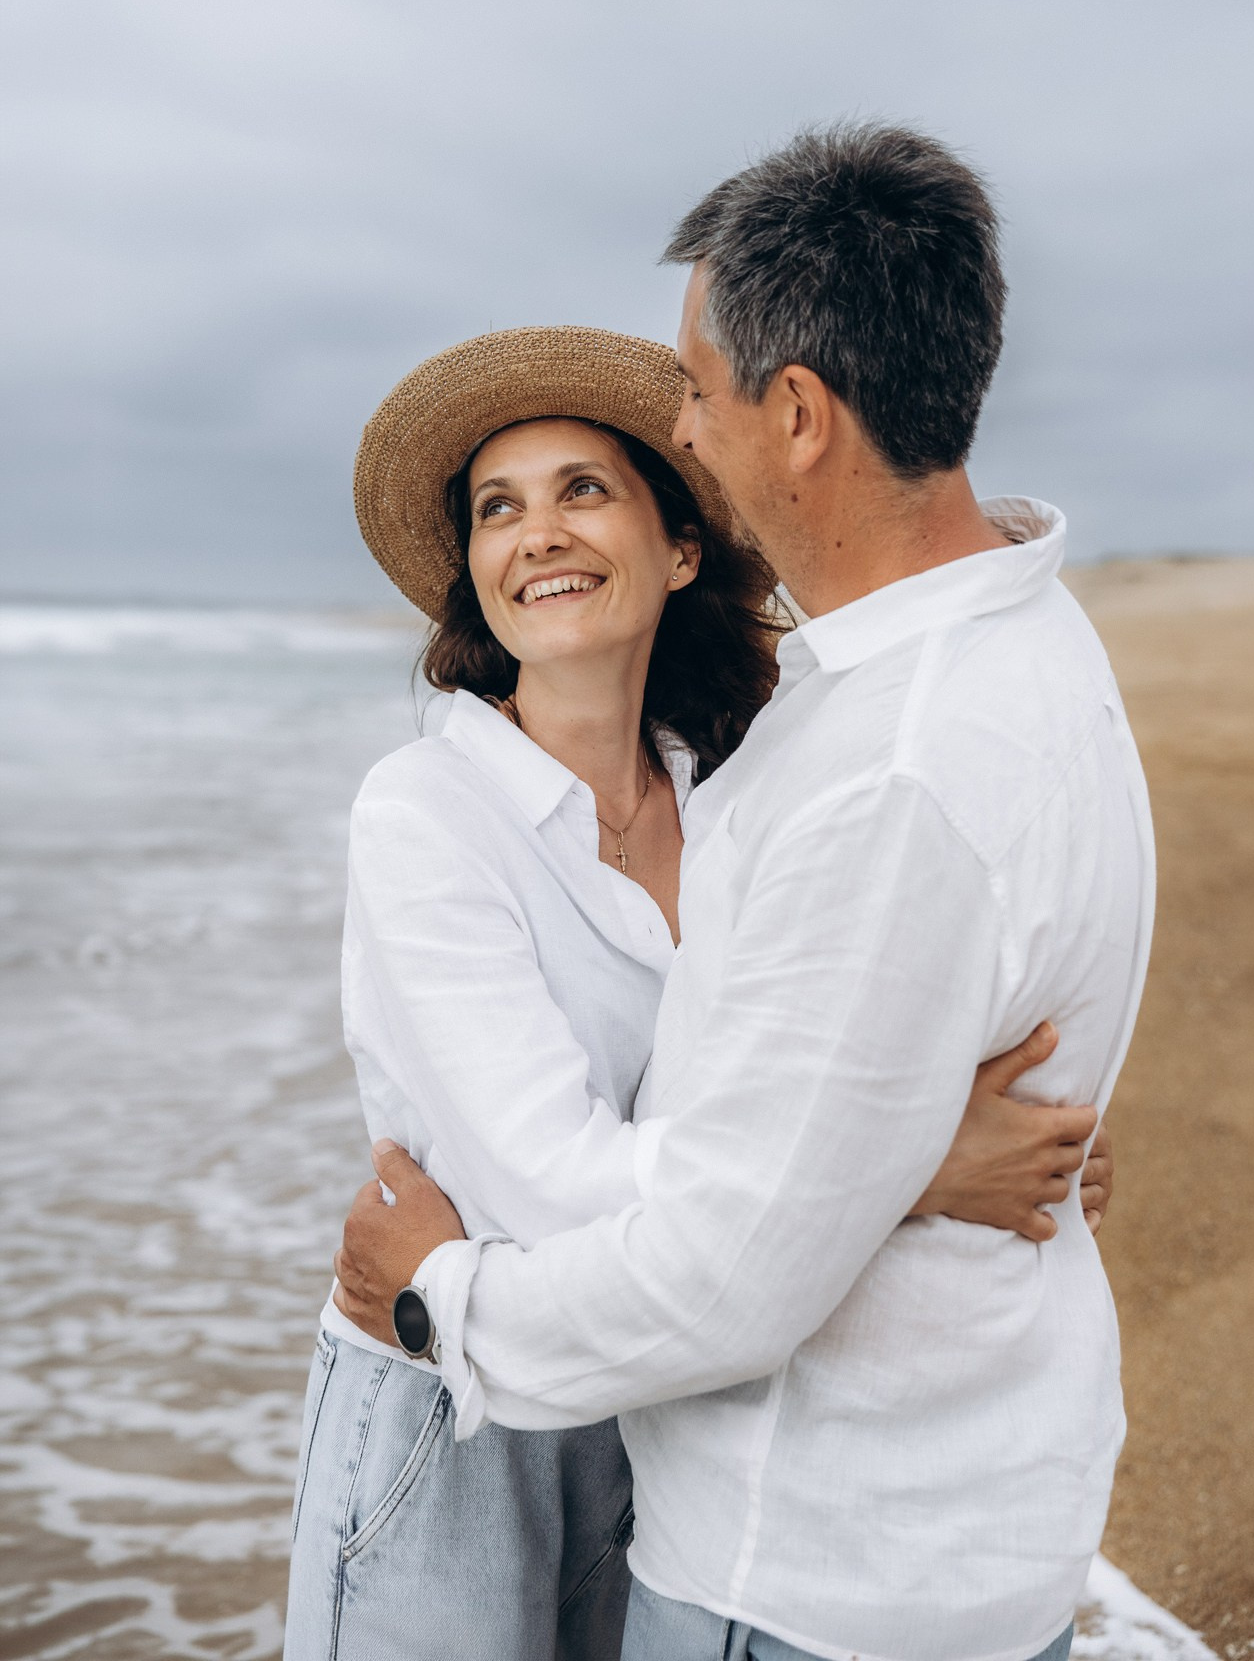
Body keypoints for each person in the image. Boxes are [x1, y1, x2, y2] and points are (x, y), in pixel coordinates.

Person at [334, 124, 1155, 1661]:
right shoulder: (1001, 663)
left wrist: (862, 1167)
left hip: (797, 1542)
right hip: (516, 1431)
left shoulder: (828, 771)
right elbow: (662, 1173)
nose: (689, 429)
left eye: (688, 404)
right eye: (495, 509)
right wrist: (903, 1164)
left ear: (786, 420)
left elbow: (736, 1254)